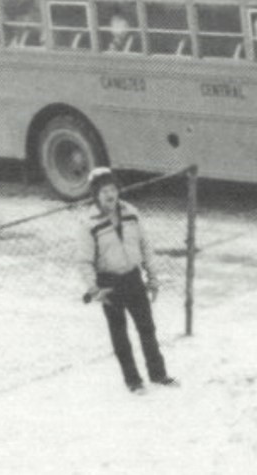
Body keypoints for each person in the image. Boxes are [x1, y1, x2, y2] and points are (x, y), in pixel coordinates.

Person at [78, 167, 176, 393]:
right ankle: (133, 381)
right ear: (96, 195)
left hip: (133, 279)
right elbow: (84, 261)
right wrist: (94, 289)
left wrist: (152, 278)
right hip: (108, 284)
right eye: (104, 192)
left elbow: (145, 246)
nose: (110, 195)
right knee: (119, 334)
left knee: (147, 328)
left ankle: (158, 374)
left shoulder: (131, 213)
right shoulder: (88, 224)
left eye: (113, 190)